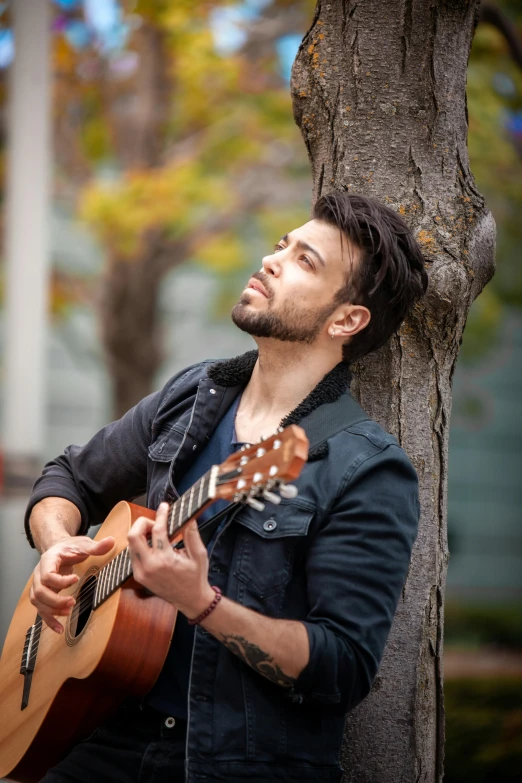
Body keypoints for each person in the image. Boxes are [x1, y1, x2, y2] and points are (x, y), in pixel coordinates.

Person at [26, 192, 428, 783]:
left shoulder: (364, 468)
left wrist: (200, 602)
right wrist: (56, 544)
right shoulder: (194, 396)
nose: (272, 259)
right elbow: (69, 478)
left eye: (304, 261)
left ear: (346, 320)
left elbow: (341, 668)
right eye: (281, 246)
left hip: (233, 763)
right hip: (107, 730)